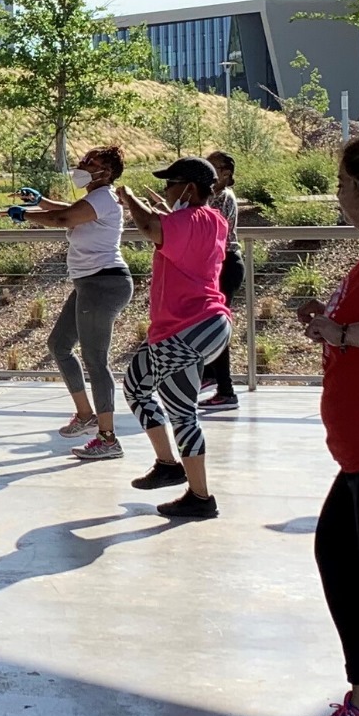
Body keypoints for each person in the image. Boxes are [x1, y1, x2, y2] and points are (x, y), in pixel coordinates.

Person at [297, 134, 359, 716]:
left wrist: (344, 333)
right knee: (342, 560)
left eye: (342, 184)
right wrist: (332, 326)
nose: (336, 194)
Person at [112, 157, 232, 519]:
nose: (166, 190)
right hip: (208, 324)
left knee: (181, 413)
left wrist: (129, 198)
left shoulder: (184, 220)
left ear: (189, 189)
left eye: (171, 183)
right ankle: (168, 466)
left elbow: (150, 227)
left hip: (185, 327)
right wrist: (165, 214)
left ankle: (199, 495)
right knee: (137, 386)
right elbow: (174, 232)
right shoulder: (215, 220)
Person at [9, 146, 134, 460]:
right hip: (89, 284)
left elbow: (64, 218)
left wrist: (26, 214)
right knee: (59, 345)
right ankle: (86, 415)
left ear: (106, 172)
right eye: (83, 161)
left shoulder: (104, 198)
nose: (82, 165)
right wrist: (41, 202)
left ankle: (108, 438)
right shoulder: (96, 199)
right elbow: (71, 211)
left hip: (103, 284)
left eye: (90, 163)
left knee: (95, 360)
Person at [198, 151, 243, 412]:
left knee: (216, 325)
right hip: (217, 265)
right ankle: (209, 374)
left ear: (226, 172)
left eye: (213, 166)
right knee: (208, 322)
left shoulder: (223, 197)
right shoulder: (211, 196)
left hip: (226, 265)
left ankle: (225, 390)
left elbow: (212, 231)